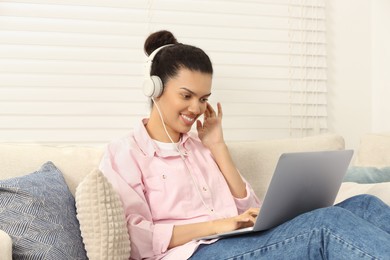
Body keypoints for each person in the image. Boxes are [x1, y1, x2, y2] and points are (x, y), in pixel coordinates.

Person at [99, 30, 390, 260]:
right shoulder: (125, 152)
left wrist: (218, 146)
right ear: (155, 88)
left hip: (236, 243)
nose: (197, 108)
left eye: (203, 98)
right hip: (191, 254)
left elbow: (253, 212)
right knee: (327, 225)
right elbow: (134, 240)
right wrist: (218, 226)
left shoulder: (201, 147)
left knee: (364, 204)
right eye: (186, 96)